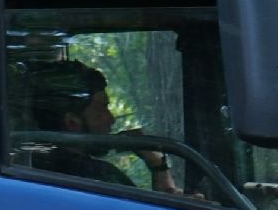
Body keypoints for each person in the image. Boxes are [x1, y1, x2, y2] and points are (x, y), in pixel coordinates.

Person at [22, 58, 179, 194]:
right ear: (72, 122)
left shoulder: (30, 165)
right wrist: (157, 164)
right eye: (103, 108)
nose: (111, 119)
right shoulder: (98, 176)